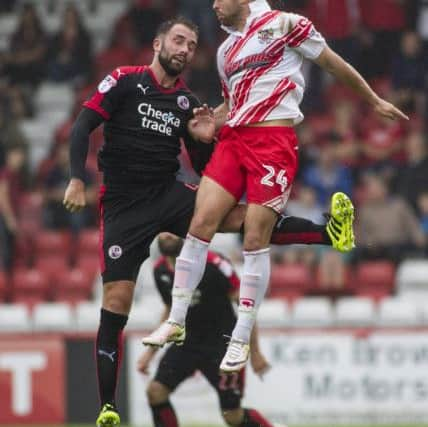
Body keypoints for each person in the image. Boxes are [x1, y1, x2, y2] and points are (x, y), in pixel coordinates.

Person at [63, 16, 354, 427]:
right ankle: (108, 407)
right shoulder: (125, 80)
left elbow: (204, 171)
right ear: (157, 43)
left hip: (167, 193)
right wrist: (77, 177)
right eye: (178, 40)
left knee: (242, 218)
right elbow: (82, 125)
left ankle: (329, 233)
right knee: (115, 303)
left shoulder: (186, 103)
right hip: (123, 208)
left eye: (192, 44)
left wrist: (204, 138)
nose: (184, 49)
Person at [143, 0, 408, 375]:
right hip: (233, 141)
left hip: (273, 141)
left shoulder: (286, 25)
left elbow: (331, 62)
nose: (214, 6)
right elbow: (234, 103)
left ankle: (241, 336)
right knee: (199, 223)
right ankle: (177, 319)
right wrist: (209, 124)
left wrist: (373, 100)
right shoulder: (225, 50)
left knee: (255, 236)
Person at [138, 233, 284, 427]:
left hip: (221, 345)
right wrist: (150, 352)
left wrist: (255, 352)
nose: (167, 236)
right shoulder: (159, 271)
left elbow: (245, 306)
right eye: (163, 231)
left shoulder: (214, 264)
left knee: (232, 416)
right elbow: (170, 310)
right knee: (155, 392)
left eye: (172, 230)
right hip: (187, 343)